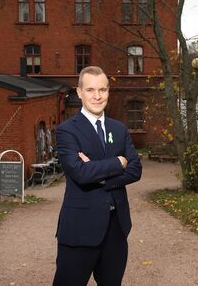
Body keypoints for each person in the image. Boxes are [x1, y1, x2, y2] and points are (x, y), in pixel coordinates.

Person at [53, 66, 142, 286]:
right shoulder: (67, 131)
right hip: (80, 229)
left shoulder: (119, 129)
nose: (97, 95)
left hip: (116, 229)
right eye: (91, 89)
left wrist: (98, 172)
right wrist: (117, 163)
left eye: (102, 89)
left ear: (109, 92)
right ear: (79, 92)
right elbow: (80, 173)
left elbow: (135, 169)